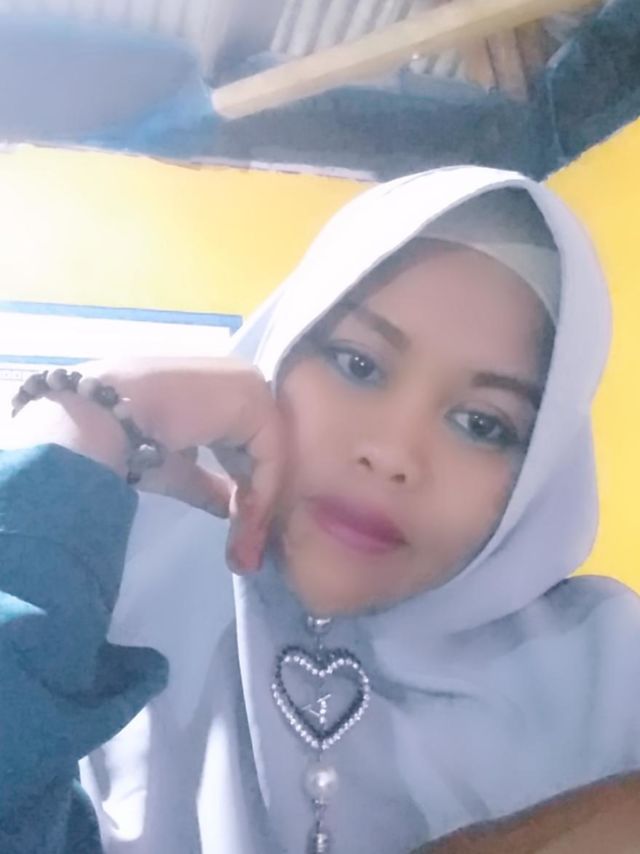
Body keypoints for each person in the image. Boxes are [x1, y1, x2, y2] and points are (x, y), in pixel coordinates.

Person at [1, 165, 639, 854]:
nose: (392, 453)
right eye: (358, 364)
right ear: (278, 351)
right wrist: (85, 416)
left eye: (482, 424)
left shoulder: (608, 683)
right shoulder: (95, 599)